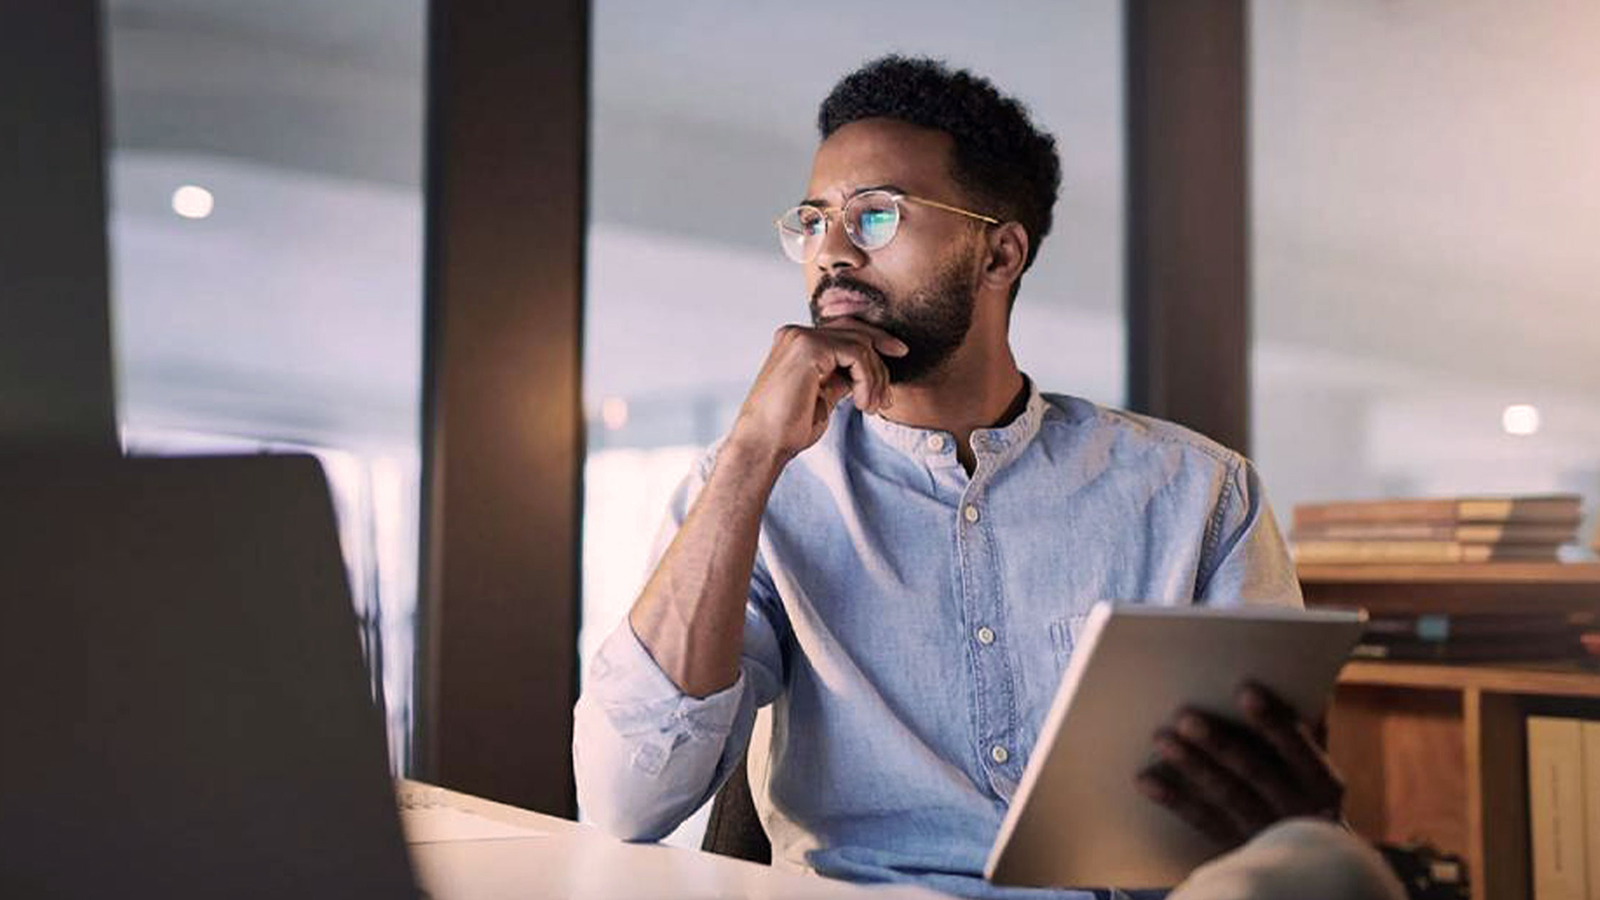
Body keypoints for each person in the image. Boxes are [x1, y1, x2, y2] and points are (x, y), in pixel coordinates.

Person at [574, 56, 1401, 900]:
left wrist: (1294, 828)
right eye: (814, 221)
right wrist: (751, 452)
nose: (832, 251)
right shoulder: (760, 484)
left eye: (875, 215)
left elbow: (1271, 824)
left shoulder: (1198, 492)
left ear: (999, 253)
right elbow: (626, 799)